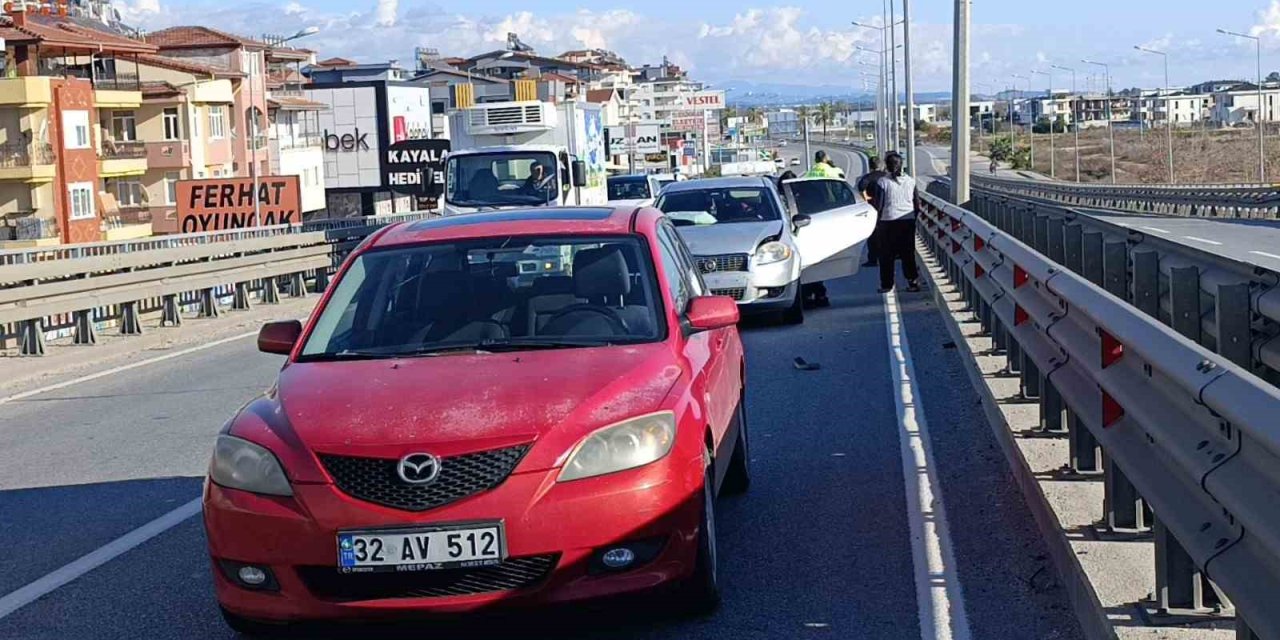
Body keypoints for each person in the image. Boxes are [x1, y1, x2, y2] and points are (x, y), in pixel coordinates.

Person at [873, 151, 921, 294]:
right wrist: (913, 218)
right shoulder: (911, 181)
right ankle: (913, 282)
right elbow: (917, 203)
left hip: (888, 221)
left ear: (887, 166)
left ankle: (887, 285)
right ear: (901, 165)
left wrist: (877, 222)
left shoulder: (883, 182)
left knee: (886, 255)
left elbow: (879, 204)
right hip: (907, 221)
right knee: (908, 253)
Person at [857, 157, 887, 267]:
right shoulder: (887, 176)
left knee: (873, 235)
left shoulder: (868, 177)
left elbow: (861, 187)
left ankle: (873, 259)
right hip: (887, 208)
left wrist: (865, 197)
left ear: (870, 166)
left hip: (873, 207)